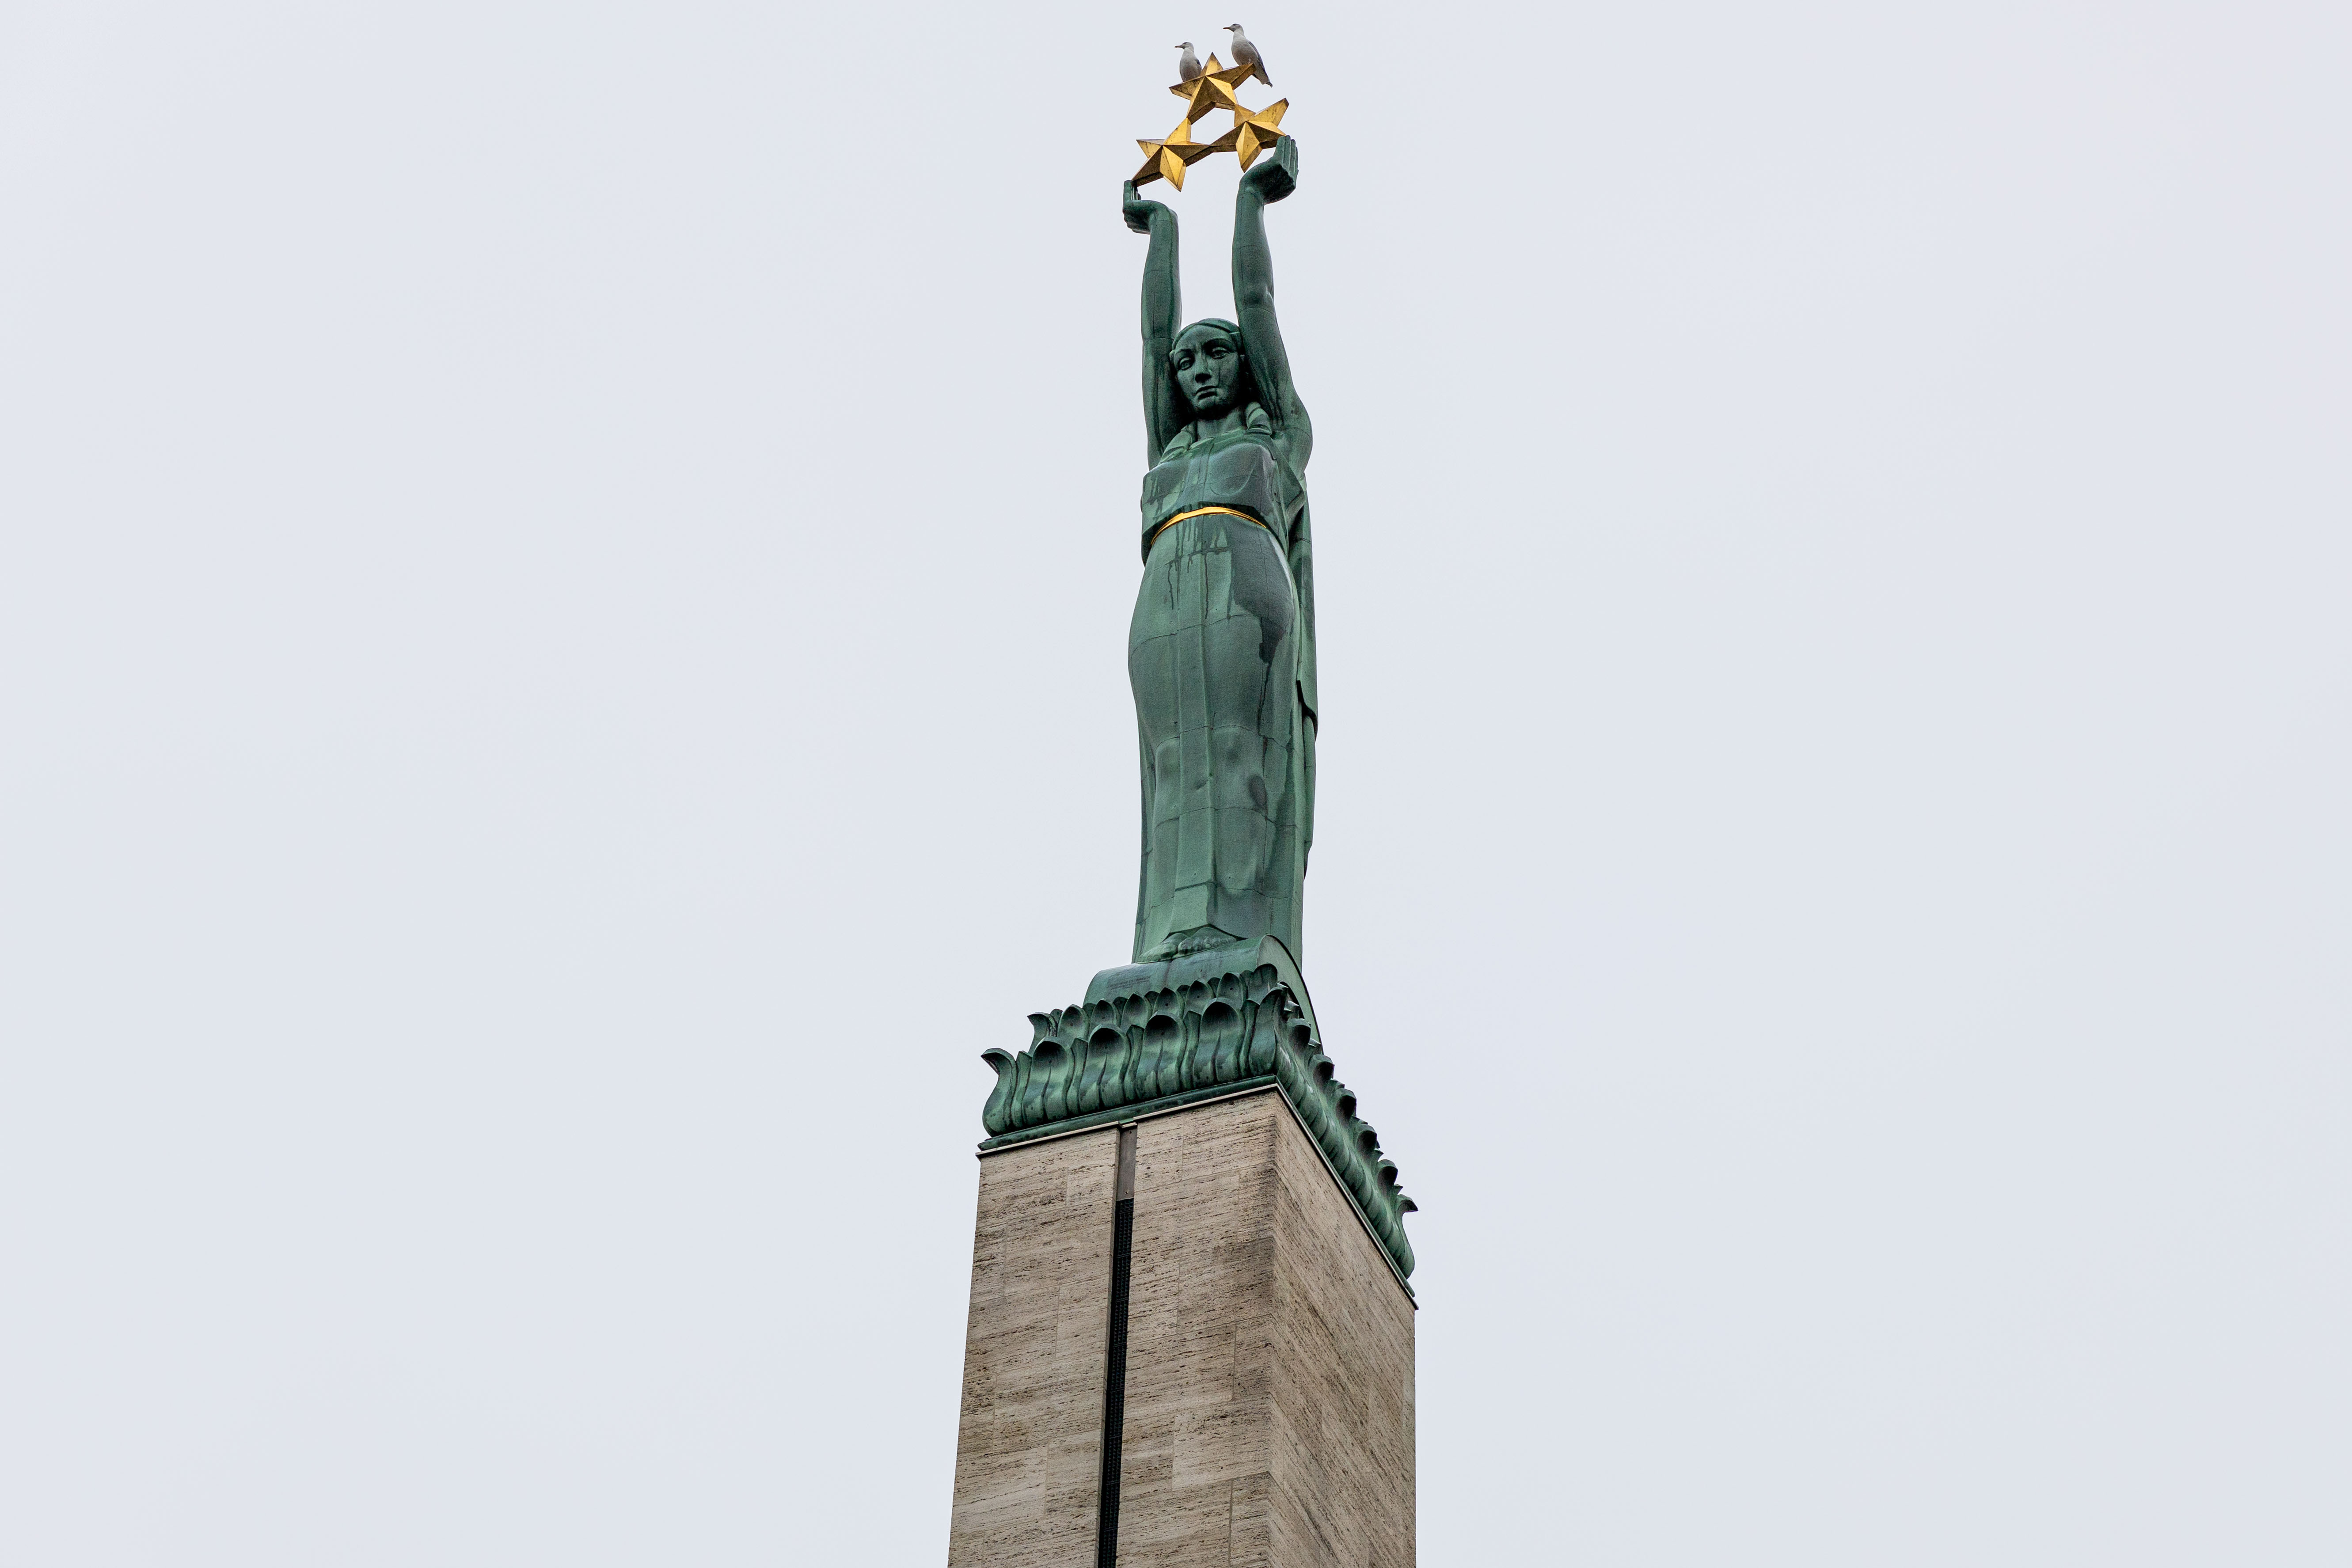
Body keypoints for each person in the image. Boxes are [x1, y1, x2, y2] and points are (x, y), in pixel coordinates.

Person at [1119, 136, 1318, 969]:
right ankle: (1170, 927)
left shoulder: (1279, 437)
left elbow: (1257, 299)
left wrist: (1250, 201)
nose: (1197, 369)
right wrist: (1159, 230)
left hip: (1245, 587)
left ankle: (1231, 920)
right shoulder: (1170, 447)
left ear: (1245, 365)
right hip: (1165, 596)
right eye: (1187, 361)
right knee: (1173, 760)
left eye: (1216, 353)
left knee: (1235, 747)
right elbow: (1150, 336)